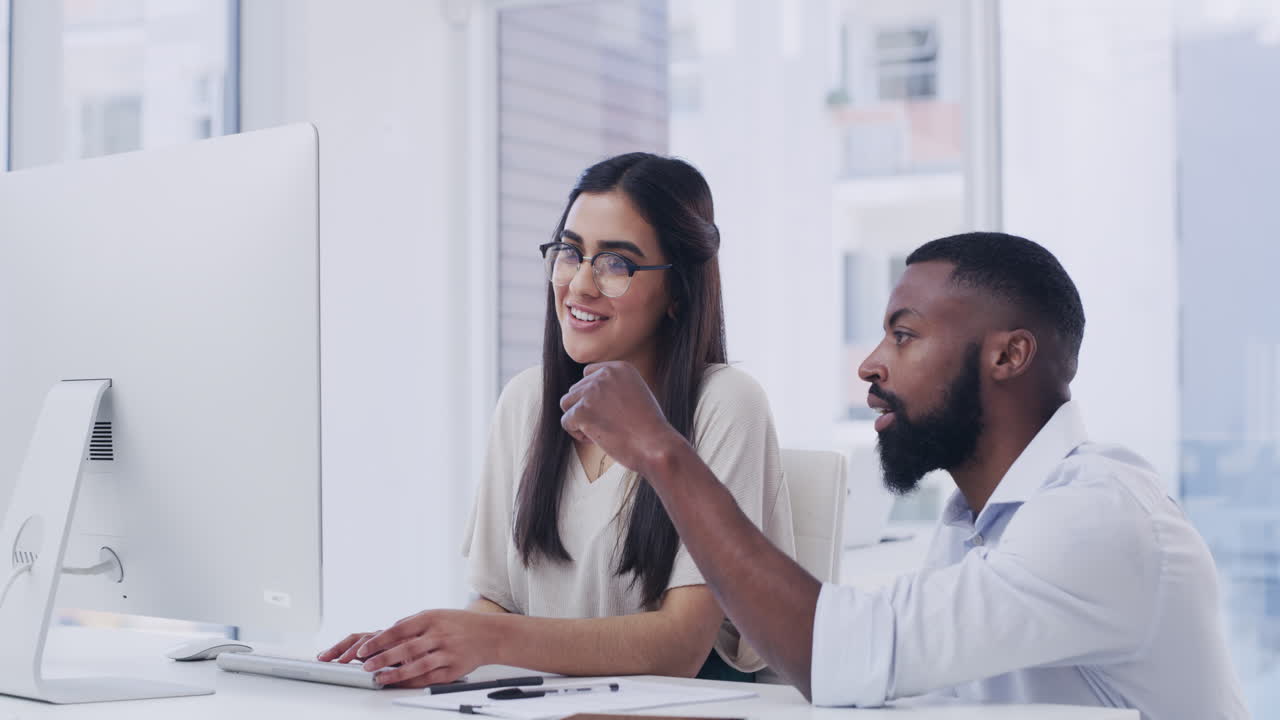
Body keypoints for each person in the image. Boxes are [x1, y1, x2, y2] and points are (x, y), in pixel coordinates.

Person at [557, 232, 1248, 719]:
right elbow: (896, 692)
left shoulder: (1096, 516)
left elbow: (830, 650)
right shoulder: (976, 524)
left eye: (904, 335)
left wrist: (661, 450)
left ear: (1008, 356)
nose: (870, 365)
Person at [318, 152, 795, 686]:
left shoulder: (727, 404)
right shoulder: (525, 401)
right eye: (571, 252)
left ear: (678, 293)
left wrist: (491, 641)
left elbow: (680, 645)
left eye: (617, 263)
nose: (580, 285)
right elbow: (498, 606)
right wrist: (410, 649)